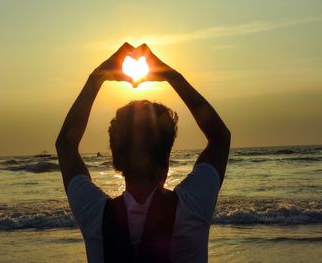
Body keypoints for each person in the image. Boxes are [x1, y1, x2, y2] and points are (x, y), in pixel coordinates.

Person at [56, 43, 231, 262]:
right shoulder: (192, 207)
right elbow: (220, 138)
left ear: (116, 162)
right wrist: (172, 76)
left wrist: (97, 77)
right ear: (166, 162)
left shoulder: (95, 215)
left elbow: (66, 144)